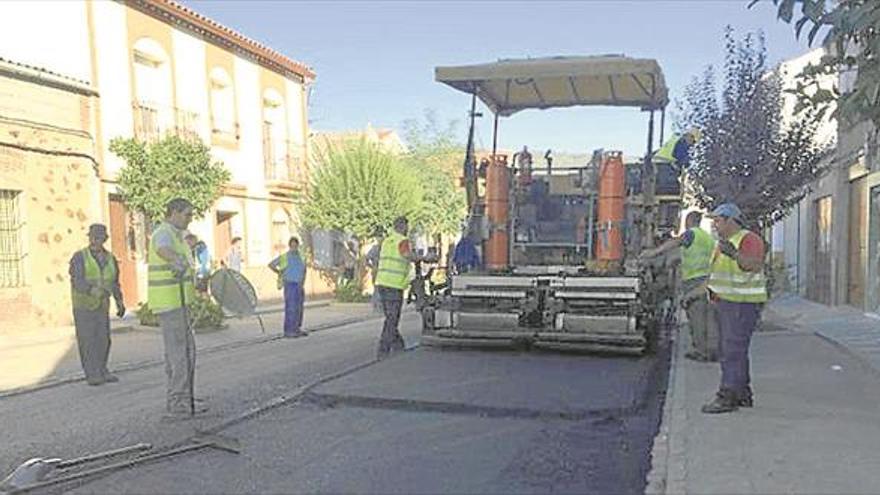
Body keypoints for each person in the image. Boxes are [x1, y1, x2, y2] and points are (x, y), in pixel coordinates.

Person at [701, 203, 767, 414]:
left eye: (718, 220)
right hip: (727, 302)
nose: (715, 225)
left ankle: (727, 396)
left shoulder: (748, 239)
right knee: (734, 350)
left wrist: (734, 255)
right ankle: (742, 394)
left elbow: (754, 265)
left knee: (731, 351)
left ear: (731, 221)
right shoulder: (724, 243)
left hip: (742, 304)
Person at [149, 198, 205, 418]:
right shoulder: (164, 232)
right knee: (179, 355)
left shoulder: (178, 235)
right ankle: (178, 403)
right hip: (170, 303)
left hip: (179, 303)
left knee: (187, 353)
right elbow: (163, 250)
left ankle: (187, 399)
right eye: (187, 214)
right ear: (173, 212)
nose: (190, 219)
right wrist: (177, 261)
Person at [640, 211, 719, 362]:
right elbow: (685, 255)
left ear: (688, 221)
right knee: (708, 318)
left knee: (696, 318)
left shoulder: (691, 234)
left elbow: (676, 242)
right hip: (707, 280)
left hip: (694, 281)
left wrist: (653, 253)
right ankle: (712, 350)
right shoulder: (707, 238)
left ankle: (701, 352)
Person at [68, 224, 125, 386]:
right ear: (90, 238)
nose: (95, 240)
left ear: (104, 239)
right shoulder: (79, 257)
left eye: (99, 237)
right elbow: (77, 280)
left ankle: (102, 369)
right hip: (83, 306)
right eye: (93, 237)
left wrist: (119, 302)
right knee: (87, 340)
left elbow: (115, 282)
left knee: (103, 339)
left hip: (102, 305)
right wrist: (91, 290)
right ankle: (92, 374)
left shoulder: (110, 258)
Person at [374, 216, 420, 359]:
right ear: (403, 227)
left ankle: (398, 344)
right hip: (394, 285)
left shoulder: (387, 241)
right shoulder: (402, 241)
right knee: (392, 319)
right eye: (407, 226)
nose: (408, 229)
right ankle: (383, 349)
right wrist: (424, 258)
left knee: (390, 317)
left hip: (382, 283)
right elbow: (407, 255)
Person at [269, 236, 308, 338]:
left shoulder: (301, 257)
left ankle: (297, 328)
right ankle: (289, 331)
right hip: (290, 284)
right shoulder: (284, 257)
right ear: (290, 246)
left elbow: (304, 270)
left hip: (299, 284)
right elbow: (271, 264)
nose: (294, 248)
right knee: (291, 307)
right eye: (292, 246)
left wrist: (303, 281)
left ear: (298, 246)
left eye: (296, 246)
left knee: (299, 308)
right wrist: (280, 272)